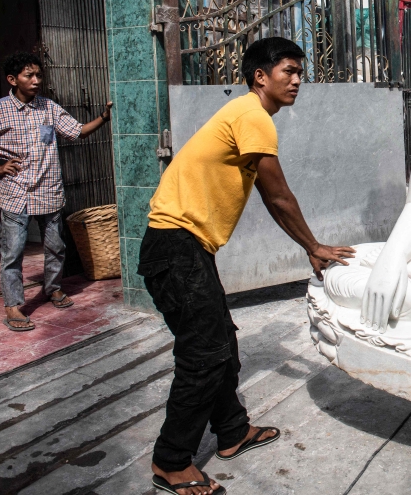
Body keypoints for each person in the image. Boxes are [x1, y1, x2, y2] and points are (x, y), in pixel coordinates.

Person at [139, 37, 355, 495]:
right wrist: (313, 247)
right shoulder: (252, 115)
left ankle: (233, 432)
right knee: (204, 355)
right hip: (175, 247)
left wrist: (308, 245)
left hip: (187, 249)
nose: (298, 80)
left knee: (221, 345)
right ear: (261, 76)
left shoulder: (245, 115)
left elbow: (269, 195)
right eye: (288, 72)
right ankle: (171, 462)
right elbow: (276, 194)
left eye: (301, 72)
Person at [0, 51, 112, 332]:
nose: (36, 80)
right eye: (29, 75)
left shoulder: (49, 108)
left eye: (39, 75)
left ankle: (53, 288)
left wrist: (103, 116)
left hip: (49, 190)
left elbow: (77, 131)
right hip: (15, 192)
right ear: (12, 79)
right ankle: (13, 305)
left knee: (55, 246)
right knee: (13, 251)